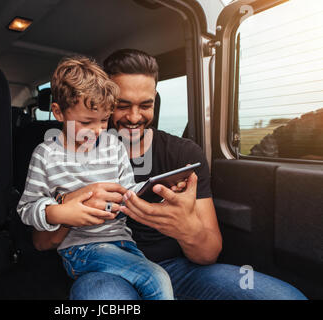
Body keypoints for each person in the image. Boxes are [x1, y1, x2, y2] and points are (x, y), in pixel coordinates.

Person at [32, 49, 307, 300]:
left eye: (146, 104)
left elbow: (209, 253)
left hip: (180, 270)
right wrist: (69, 205)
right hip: (103, 268)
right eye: (123, 105)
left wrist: (185, 228)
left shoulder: (183, 153)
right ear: (102, 101)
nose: (135, 116)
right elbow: (42, 243)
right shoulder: (64, 156)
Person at [17, 56, 174, 300]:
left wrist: (158, 188)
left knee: (145, 288)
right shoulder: (46, 155)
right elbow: (27, 208)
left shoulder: (114, 145)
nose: (98, 130)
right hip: (80, 249)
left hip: (124, 243)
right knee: (156, 278)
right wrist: (59, 212)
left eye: (103, 120)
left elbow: (127, 191)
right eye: (86, 122)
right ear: (58, 112)